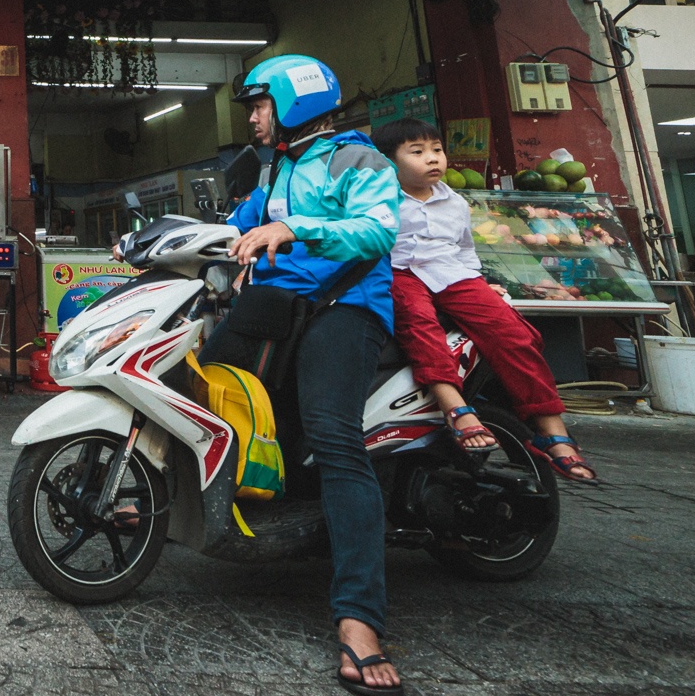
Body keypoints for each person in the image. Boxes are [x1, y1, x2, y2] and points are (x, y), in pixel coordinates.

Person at [220, 55, 403, 695]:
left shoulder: (360, 161)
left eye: (260, 103)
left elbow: (377, 231)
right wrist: (150, 241)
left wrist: (294, 226)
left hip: (345, 309)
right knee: (197, 388)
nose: (253, 116)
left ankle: (360, 619)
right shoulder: (278, 169)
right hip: (278, 306)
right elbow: (233, 228)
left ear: (295, 102)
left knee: (335, 441)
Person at [372, 118, 596, 484]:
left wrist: (480, 285)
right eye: (417, 152)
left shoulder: (455, 202)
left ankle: (552, 429)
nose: (432, 159)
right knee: (419, 327)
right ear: (388, 162)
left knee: (513, 332)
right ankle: (455, 407)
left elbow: (464, 250)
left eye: (437, 150)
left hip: (452, 274)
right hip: (400, 273)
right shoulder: (377, 199)